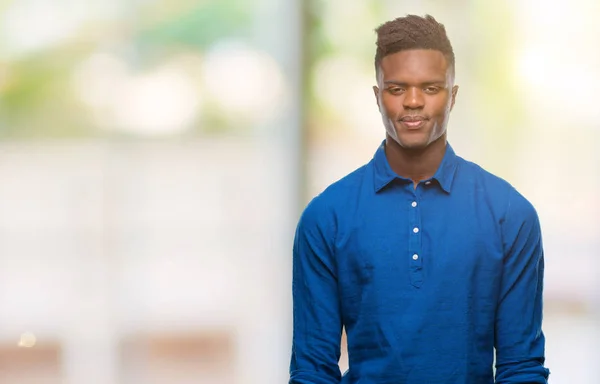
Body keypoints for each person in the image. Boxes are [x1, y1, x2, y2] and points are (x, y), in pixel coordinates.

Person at [289, 14, 550, 384]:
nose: (413, 102)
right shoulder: (326, 217)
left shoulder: (510, 214)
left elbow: (521, 367)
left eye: (430, 88)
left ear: (453, 95)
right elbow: (312, 369)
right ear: (378, 96)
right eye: (397, 89)